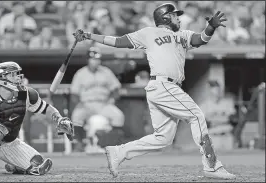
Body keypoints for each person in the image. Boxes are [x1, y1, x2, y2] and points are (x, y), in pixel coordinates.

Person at [73, 3, 236, 180]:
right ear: (165, 17)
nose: (178, 18)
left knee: (163, 139)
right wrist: (90, 36)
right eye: (175, 15)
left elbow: (201, 39)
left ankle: (119, 152)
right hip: (163, 85)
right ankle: (211, 165)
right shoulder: (148, 33)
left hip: (167, 87)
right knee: (196, 116)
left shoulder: (182, 35)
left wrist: (210, 27)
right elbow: (118, 42)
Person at [0, 61, 75, 175]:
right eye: (12, 74)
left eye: (17, 74)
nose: (18, 77)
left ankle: (14, 165)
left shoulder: (24, 94)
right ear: (1, 78)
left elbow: (45, 108)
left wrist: (59, 118)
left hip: (8, 142)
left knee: (37, 163)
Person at [70, 47, 125, 153]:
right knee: (76, 117)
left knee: (119, 116)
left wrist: (112, 99)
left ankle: (114, 143)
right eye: (93, 59)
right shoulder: (80, 73)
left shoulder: (106, 72)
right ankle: (80, 143)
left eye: (97, 59)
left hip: (103, 104)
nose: (95, 61)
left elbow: (116, 89)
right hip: (87, 104)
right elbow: (74, 93)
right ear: (88, 60)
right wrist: (79, 104)